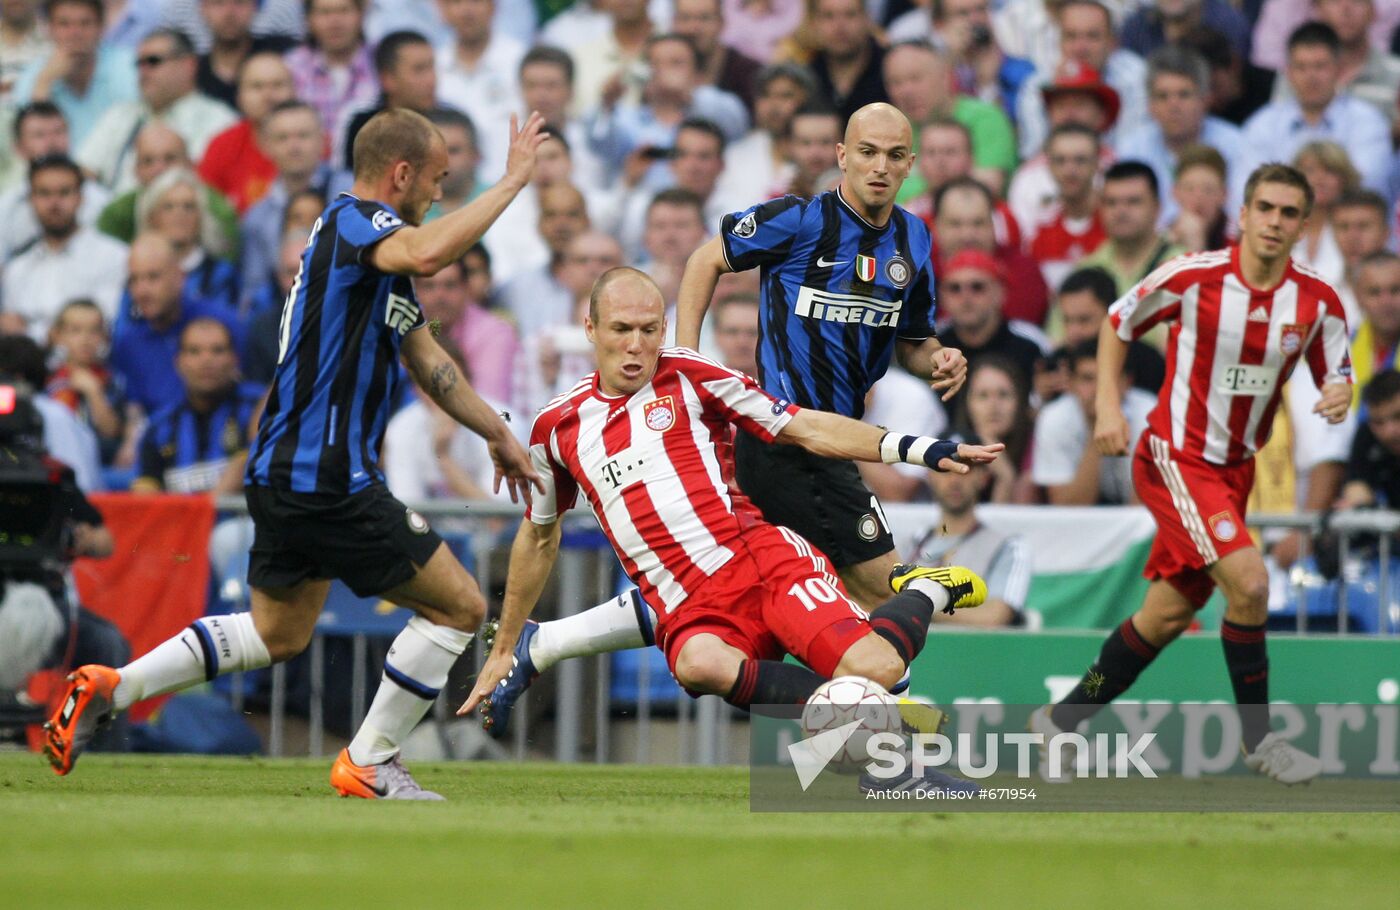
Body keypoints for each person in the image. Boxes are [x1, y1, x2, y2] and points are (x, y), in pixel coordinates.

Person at [44, 107, 550, 799]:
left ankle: (112, 686)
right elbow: (430, 251)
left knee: (277, 633)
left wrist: (497, 434)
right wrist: (513, 181)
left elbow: (428, 359)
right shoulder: (351, 222)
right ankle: (370, 760)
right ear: (399, 174)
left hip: (284, 472)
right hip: (328, 474)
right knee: (460, 607)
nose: (436, 196)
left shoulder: (377, 270)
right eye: (434, 181)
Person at [474, 103, 970, 738]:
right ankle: (899, 740)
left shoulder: (915, 240)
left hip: (828, 436)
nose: (879, 166)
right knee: (872, 592)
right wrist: (680, 361)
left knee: (705, 561)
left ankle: (546, 645)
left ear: (910, 164)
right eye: (866, 151)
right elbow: (705, 260)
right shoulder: (795, 218)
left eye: (893, 155)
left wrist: (940, 359)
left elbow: (915, 339)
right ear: (842, 156)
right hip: (791, 439)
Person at [460, 266, 998, 798]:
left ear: (663, 332)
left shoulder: (691, 375)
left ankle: (927, 589)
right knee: (699, 664)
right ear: (591, 329)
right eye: (621, 329)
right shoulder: (556, 427)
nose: (635, 346)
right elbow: (538, 535)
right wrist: (505, 646)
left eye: (649, 330)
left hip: (762, 564)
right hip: (691, 607)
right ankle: (879, 727)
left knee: (876, 666)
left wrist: (921, 449)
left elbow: (806, 426)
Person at [1030, 163, 1354, 785]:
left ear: (1303, 225)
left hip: (1235, 471)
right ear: (1243, 213)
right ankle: (1260, 742)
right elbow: (1118, 322)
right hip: (1177, 458)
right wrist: (1106, 407)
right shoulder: (1194, 277)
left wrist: (1339, 393)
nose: (1275, 222)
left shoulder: (1316, 301)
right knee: (1252, 585)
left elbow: (1336, 369)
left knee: (1165, 617)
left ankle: (1061, 721)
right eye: (1265, 208)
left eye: (1289, 213)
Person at [76, 27, 238, 193]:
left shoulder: (220, 121)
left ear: (189, 65)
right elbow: (83, 172)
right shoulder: (120, 115)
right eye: (139, 64)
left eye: (153, 61)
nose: (143, 72)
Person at [1241, 22, 1390, 193]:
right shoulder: (1262, 124)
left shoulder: (1368, 122)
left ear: (1339, 69)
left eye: (1320, 66)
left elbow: (1368, 188)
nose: (1311, 77)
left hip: (1343, 219)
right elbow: (1246, 191)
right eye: (1301, 67)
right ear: (1288, 72)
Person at [0, 154, 127, 339]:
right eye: (44, 193)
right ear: (30, 200)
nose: (54, 203)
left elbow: (104, 328)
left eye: (64, 192)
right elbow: (10, 333)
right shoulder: (17, 270)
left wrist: (30, 331)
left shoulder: (114, 256)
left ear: (81, 197)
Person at [904, 446, 1032, 626]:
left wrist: (916, 607)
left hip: (976, 651)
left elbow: (995, 618)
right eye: (944, 469)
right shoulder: (911, 543)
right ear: (929, 476)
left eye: (966, 469)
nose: (955, 480)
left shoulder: (1008, 546)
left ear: (984, 477)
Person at [131, 317, 261, 494]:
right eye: (194, 351)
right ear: (178, 362)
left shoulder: (259, 410)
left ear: (234, 359)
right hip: (178, 522)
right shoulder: (158, 428)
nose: (206, 360)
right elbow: (144, 497)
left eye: (217, 350)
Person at [1032, 337, 1156, 505]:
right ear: (1071, 384)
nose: (1099, 389)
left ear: (1127, 382)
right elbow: (1068, 508)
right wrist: (1096, 431)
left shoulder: (1150, 416)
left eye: (1108, 378)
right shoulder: (1055, 419)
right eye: (1088, 379)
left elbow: (1147, 509)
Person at [11, 0, 138, 147]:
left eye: (85, 23)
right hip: (58, 168)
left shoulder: (130, 66)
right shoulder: (34, 77)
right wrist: (44, 84)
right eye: (64, 24)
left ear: (102, 27)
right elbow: (29, 146)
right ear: (48, 29)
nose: (75, 33)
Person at [0, 100, 110, 262]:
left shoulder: (100, 200)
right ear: (19, 148)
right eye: (39, 135)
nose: (52, 143)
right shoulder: (7, 208)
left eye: (59, 132)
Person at [195, 50, 296, 214]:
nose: (268, 95)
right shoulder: (222, 145)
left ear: (294, 91)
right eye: (257, 86)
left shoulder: (314, 139)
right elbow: (207, 210)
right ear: (239, 96)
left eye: (277, 85)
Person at [1077, 161, 1185, 296]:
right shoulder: (1086, 269)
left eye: (1133, 201)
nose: (1120, 211)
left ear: (1157, 207)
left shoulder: (1182, 267)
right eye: (1111, 202)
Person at [340, 29, 441, 171]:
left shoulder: (448, 121)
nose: (432, 80)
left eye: (432, 67)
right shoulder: (363, 125)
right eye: (419, 70)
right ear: (388, 79)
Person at [283, 0, 378, 143]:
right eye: (325, 13)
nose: (335, 22)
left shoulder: (381, 62)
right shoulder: (290, 67)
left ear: (361, 14)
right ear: (308, 19)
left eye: (343, 11)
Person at [44, 298, 125, 463]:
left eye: (94, 331)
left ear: (105, 336)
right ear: (57, 335)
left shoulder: (112, 380)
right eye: (75, 330)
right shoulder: (47, 379)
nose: (85, 339)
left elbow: (111, 431)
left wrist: (93, 392)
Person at [1027, 123, 1104, 294]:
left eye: (1080, 160)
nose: (1070, 170)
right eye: (1060, 161)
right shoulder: (1039, 227)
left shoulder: (1115, 222)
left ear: (1098, 163)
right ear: (1048, 165)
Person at [952, 355, 1037, 503]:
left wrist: (1005, 477)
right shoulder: (952, 448)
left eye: (1003, 395)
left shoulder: (1036, 446)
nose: (993, 406)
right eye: (983, 396)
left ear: (1020, 402)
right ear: (967, 404)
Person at [193, 0, 296, 108]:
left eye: (240, 2)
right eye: (218, 3)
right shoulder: (192, 72)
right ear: (202, 9)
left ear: (255, 7)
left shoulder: (286, 54)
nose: (229, 13)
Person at [807, 0, 887, 127]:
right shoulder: (807, 76)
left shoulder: (890, 69)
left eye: (849, 14)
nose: (839, 26)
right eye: (829, 16)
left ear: (867, 18)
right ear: (814, 23)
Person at [1339, 369, 1400, 510]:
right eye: (1378, 422)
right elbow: (1355, 488)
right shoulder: (1366, 434)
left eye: (1398, 416)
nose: (1389, 432)